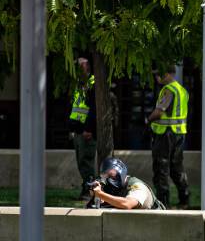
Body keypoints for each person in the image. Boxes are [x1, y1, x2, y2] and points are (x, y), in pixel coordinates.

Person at [148, 65, 190, 208]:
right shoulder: (182, 90)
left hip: (166, 134)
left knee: (161, 167)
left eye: (158, 74)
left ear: (166, 74)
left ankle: (162, 202)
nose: (156, 77)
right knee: (176, 167)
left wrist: (148, 119)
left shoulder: (168, 90)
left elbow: (159, 112)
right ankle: (184, 198)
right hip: (179, 134)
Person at [69, 57, 97, 200]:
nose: (79, 68)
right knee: (81, 162)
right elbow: (76, 107)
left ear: (87, 66)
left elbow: (93, 109)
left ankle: (89, 191)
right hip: (79, 129)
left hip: (86, 131)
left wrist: (89, 129)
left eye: (81, 65)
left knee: (86, 162)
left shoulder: (93, 83)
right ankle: (87, 188)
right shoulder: (80, 84)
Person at [88, 157, 163, 210]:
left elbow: (127, 204)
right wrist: (95, 196)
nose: (108, 179)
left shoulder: (137, 186)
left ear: (120, 172)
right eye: (105, 176)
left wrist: (101, 194)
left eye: (111, 174)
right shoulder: (113, 188)